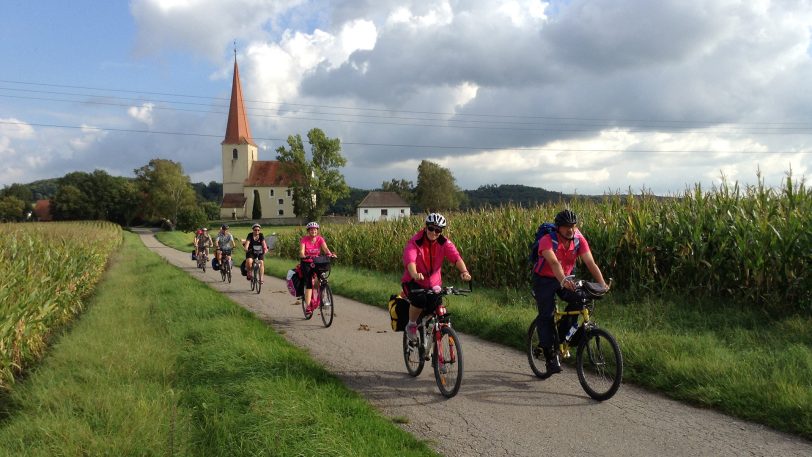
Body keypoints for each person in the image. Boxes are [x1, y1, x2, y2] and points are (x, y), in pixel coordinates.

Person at [532, 209, 609, 374]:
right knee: (546, 315)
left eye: (573, 226)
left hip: (565, 278)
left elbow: (590, 263)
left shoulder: (579, 240)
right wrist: (564, 280)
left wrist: (602, 284)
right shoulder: (547, 240)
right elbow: (553, 263)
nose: (571, 229)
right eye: (567, 226)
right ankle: (550, 355)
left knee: (580, 299)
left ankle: (564, 334)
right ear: (558, 227)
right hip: (544, 279)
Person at [401, 213, 472, 342]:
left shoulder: (444, 243)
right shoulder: (415, 242)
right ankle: (411, 325)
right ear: (426, 227)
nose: (434, 232)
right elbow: (410, 260)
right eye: (431, 228)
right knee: (420, 300)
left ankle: (433, 332)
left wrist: (464, 271)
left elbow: (456, 257)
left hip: (433, 284)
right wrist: (415, 274)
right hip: (413, 282)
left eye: (438, 230)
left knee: (437, 304)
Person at [299, 221, 336, 316]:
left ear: (317, 231)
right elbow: (302, 251)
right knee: (309, 284)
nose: (313, 231)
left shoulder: (320, 239)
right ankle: (308, 306)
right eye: (311, 229)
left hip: (317, 262)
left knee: (321, 280)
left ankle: (323, 299)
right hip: (306, 263)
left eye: (315, 229)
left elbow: (326, 249)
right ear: (308, 231)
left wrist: (330, 254)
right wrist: (303, 256)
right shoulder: (304, 240)